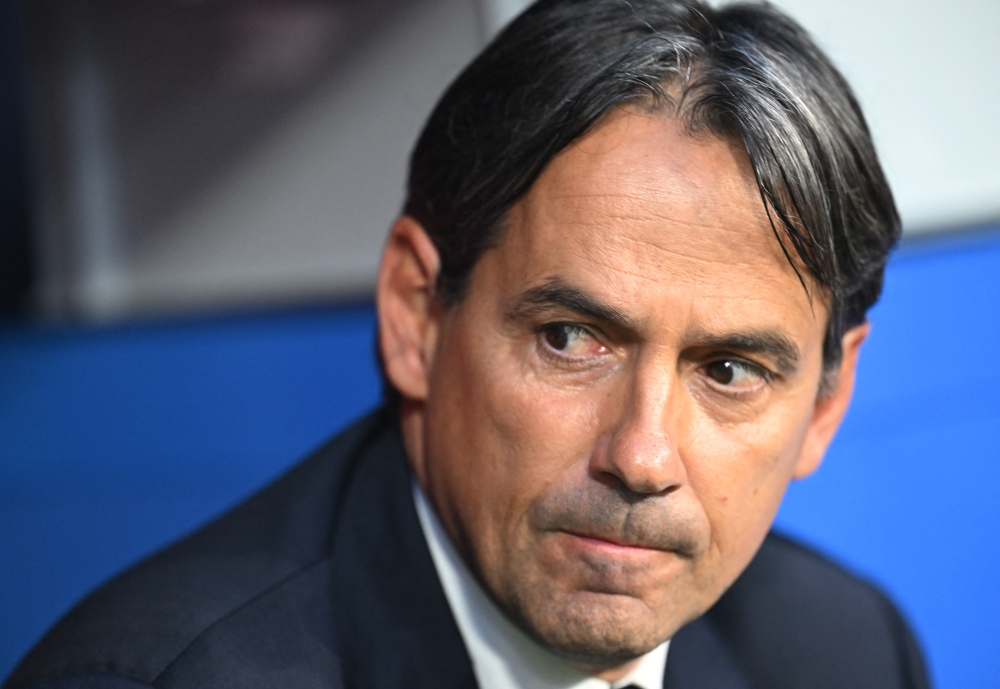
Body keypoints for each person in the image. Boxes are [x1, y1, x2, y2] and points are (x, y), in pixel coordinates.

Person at [5, 1, 930, 688]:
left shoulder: (846, 652)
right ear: (417, 314)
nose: (643, 455)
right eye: (571, 338)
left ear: (825, 405)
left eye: (729, 371)